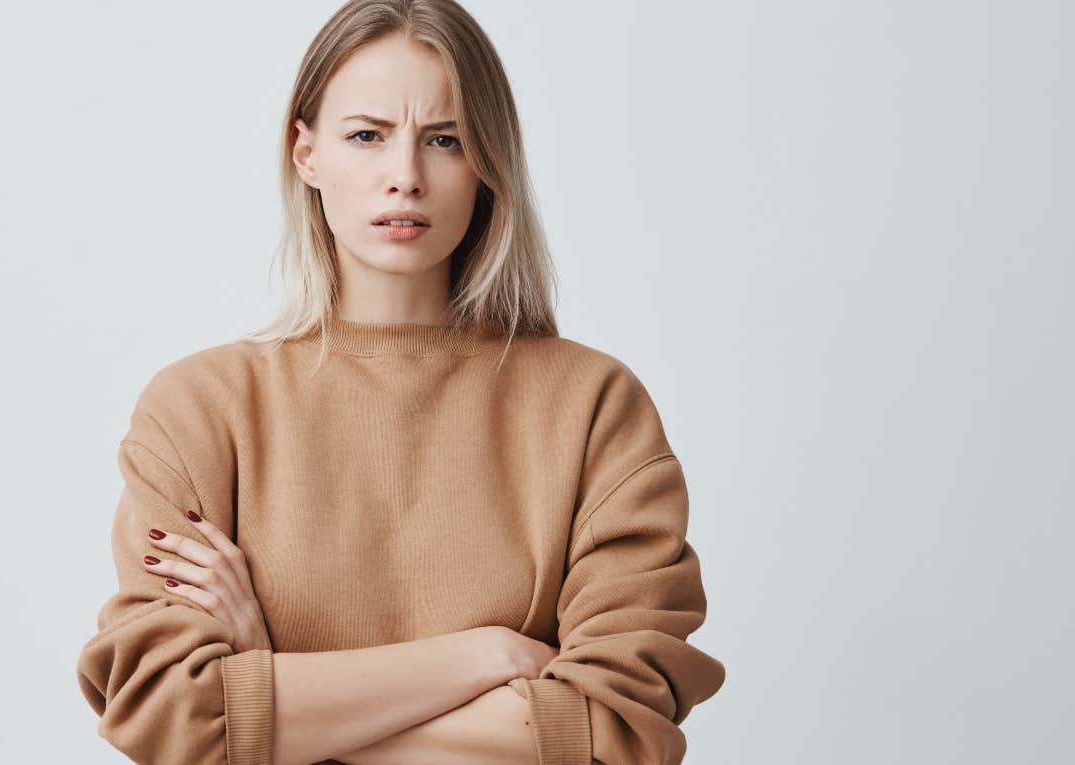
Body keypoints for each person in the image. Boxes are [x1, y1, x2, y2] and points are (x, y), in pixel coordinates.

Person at [75, 1, 725, 763]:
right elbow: (167, 713)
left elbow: (615, 730)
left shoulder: (593, 408)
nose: (405, 177)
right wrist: (483, 656)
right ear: (306, 153)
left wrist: (274, 690)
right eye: (367, 136)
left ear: (487, 160)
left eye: (444, 140)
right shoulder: (200, 410)